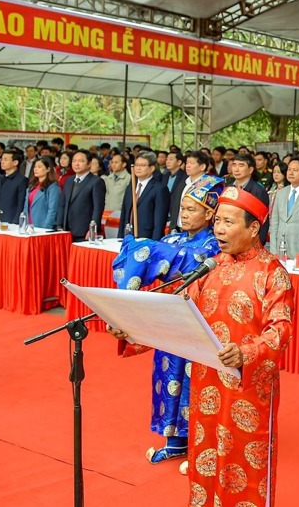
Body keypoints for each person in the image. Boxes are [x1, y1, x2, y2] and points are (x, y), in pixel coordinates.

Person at [109, 186, 294, 506]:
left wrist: (246, 352)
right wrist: (130, 333)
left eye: (229, 222)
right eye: (217, 221)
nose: (219, 229)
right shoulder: (210, 267)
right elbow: (174, 316)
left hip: (248, 388)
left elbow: (281, 328)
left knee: (245, 471)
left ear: (254, 228)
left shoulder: (272, 272)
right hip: (205, 385)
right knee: (205, 466)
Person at [113, 177, 225, 468]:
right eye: (182, 208)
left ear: (210, 214)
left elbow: (187, 261)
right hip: (170, 322)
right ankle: (175, 442)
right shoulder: (172, 239)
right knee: (168, 379)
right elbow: (159, 262)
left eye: (192, 209)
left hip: (199, 324)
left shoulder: (215, 244)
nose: (184, 214)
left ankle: (202, 447)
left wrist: (148, 250)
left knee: (195, 385)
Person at [119, 152, 170, 240]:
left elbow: (160, 220)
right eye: (136, 165)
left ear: (152, 168)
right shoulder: (130, 187)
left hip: (147, 237)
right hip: (128, 236)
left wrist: (154, 243)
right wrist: (120, 237)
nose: (138, 168)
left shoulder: (159, 189)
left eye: (142, 165)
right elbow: (124, 213)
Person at [57, 150, 106, 242]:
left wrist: (92, 229)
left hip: (84, 231)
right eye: (74, 161)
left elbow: (98, 208)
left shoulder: (96, 182)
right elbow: (62, 204)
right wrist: (59, 225)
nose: (76, 164)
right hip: (66, 230)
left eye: (81, 161)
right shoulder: (68, 181)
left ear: (89, 164)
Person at [228, 152, 270, 245]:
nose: (236, 169)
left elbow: (263, 222)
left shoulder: (258, 191)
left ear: (250, 169)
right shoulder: (228, 188)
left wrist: (258, 243)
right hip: (230, 238)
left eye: (241, 165)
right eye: (234, 165)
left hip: (249, 240)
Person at [169, 151, 214, 233]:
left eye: (192, 163)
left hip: (199, 232)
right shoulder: (184, 182)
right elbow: (176, 206)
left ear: (202, 166)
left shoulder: (209, 185)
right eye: (187, 163)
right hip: (179, 229)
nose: (188, 166)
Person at [24, 156, 60, 229]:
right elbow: (25, 207)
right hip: (29, 225)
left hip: (42, 226)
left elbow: (53, 210)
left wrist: (46, 226)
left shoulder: (53, 187)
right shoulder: (31, 186)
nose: (36, 169)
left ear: (48, 169)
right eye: (35, 167)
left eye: (39, 167)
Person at [0, 149, 28, 224]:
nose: (2, 162)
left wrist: (16, 221)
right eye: (1, 159)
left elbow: (21, 203)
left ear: (15, 162)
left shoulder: (22, 180)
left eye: (6, 159)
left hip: (12, 220)